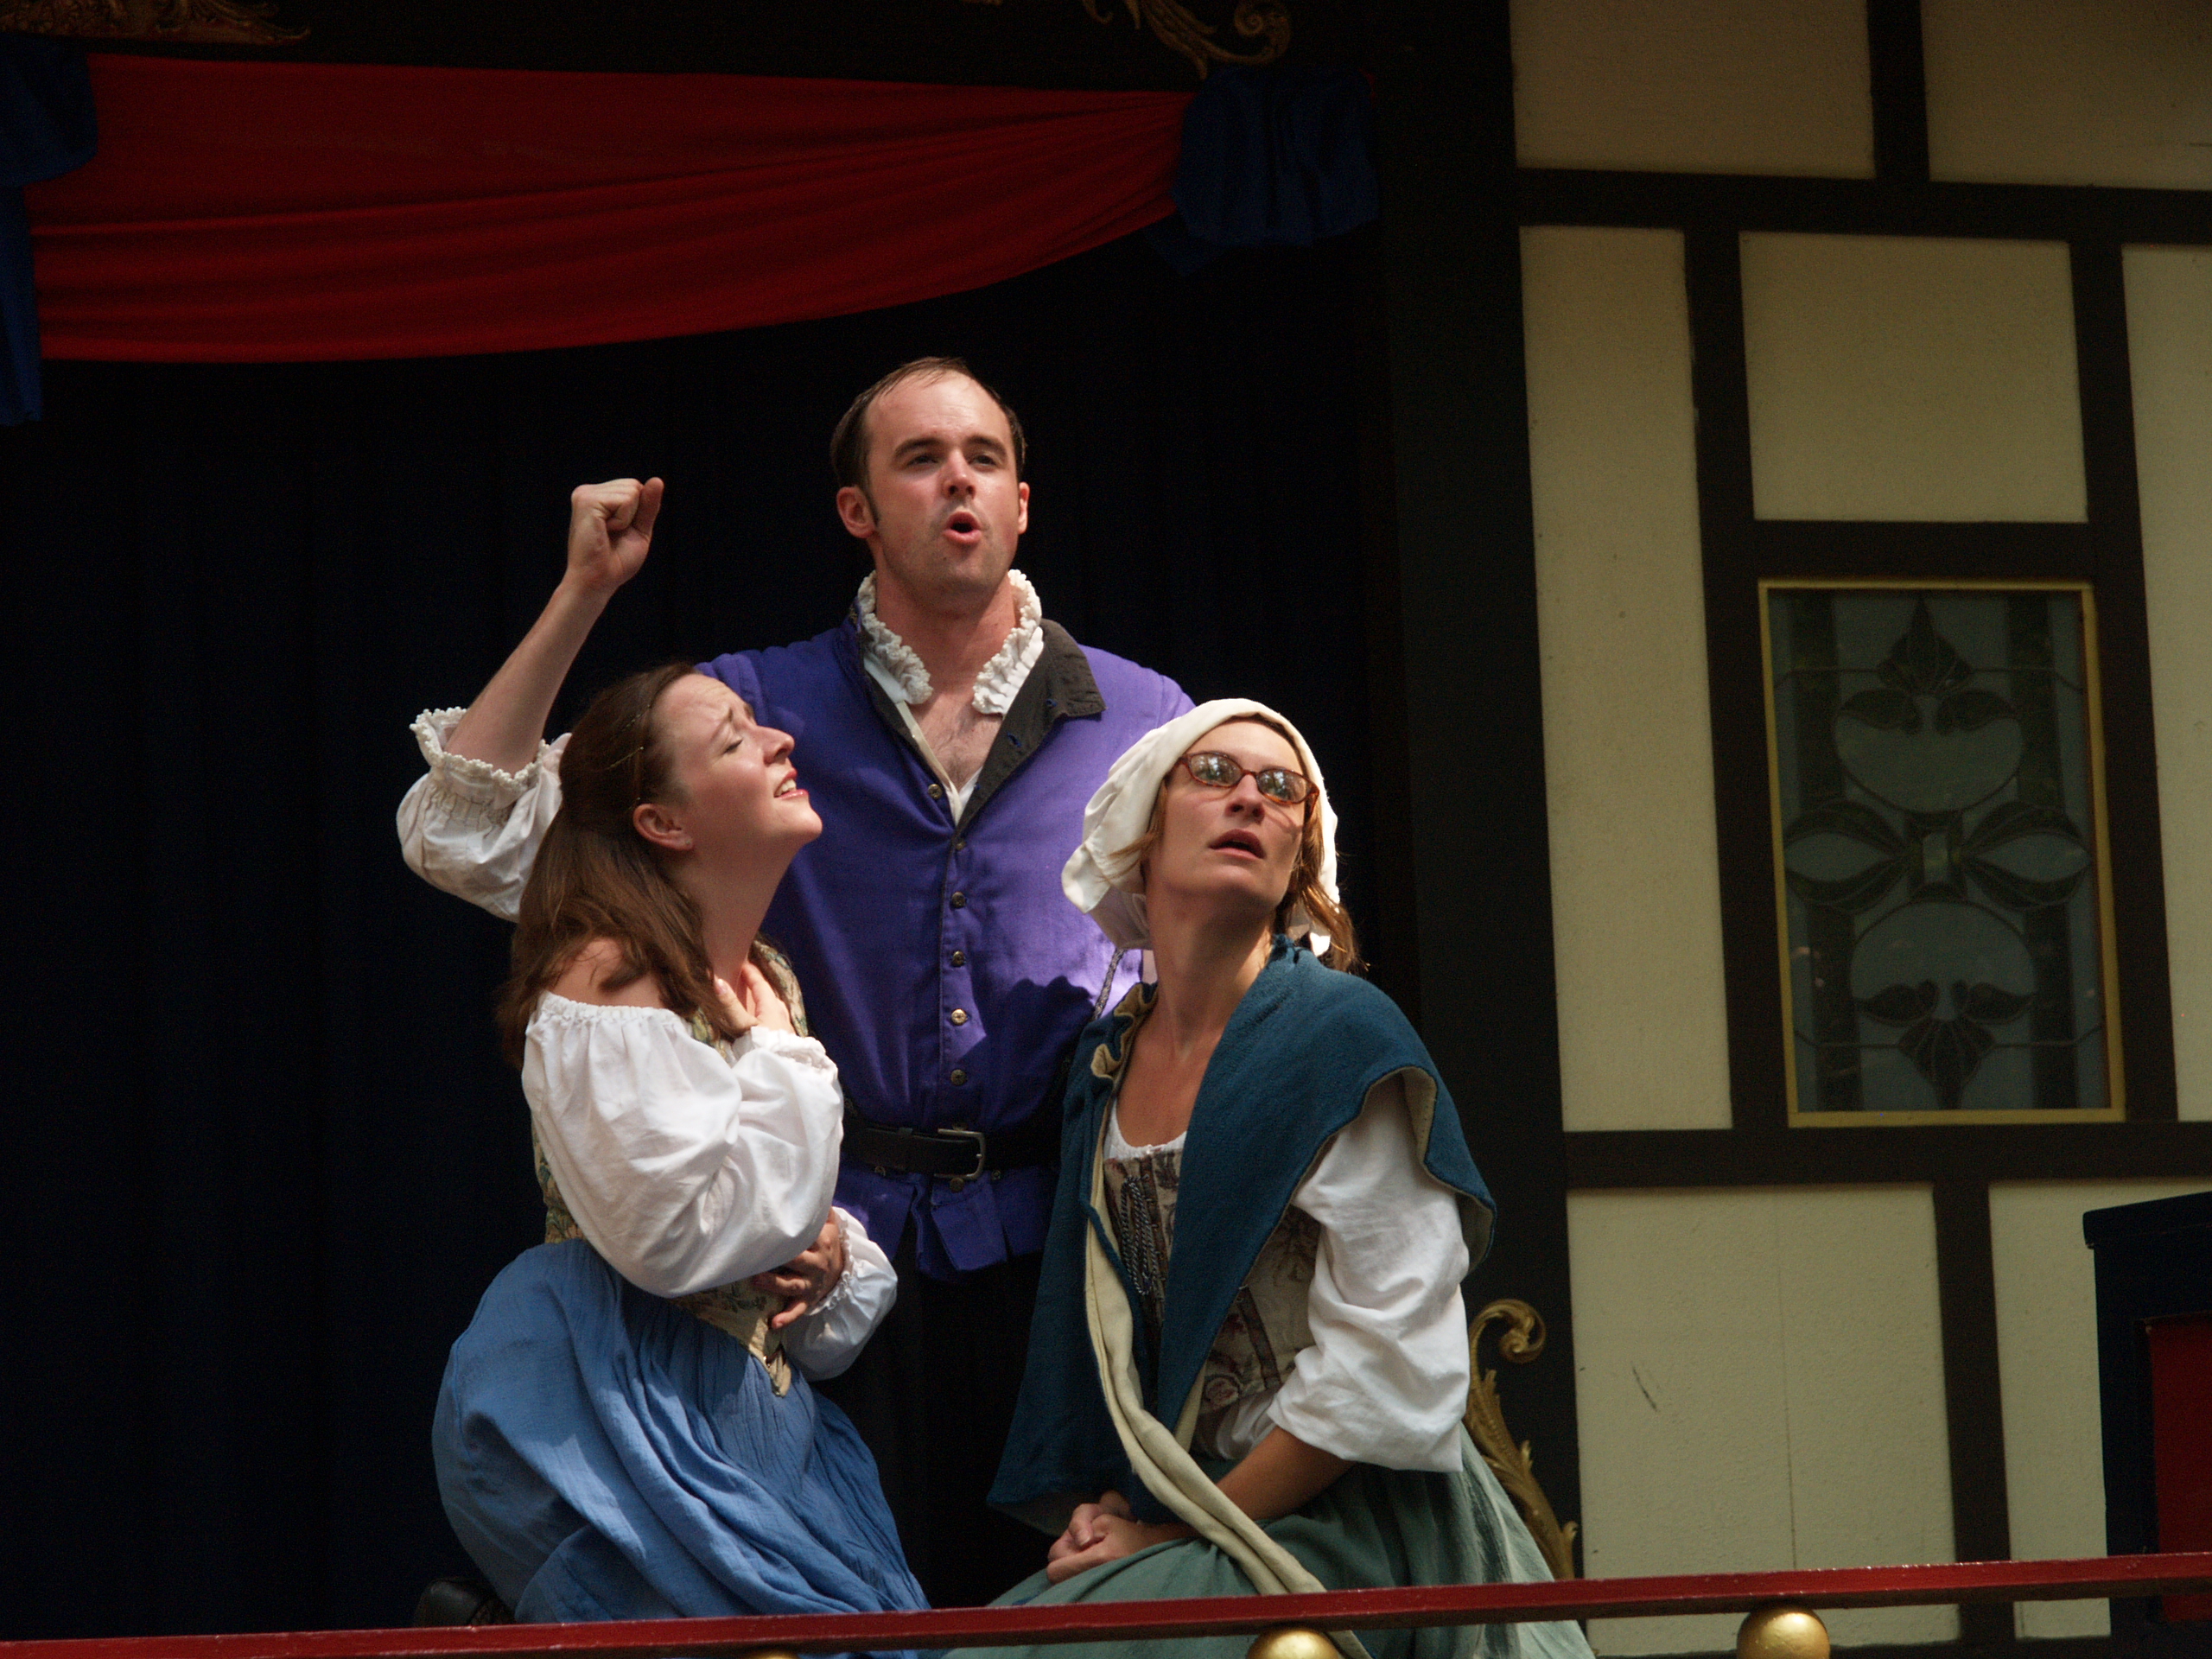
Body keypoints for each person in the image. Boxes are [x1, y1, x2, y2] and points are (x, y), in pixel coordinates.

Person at [398, 357, 1191, 1603]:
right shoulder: (755, 711)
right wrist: (584, 591)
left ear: (1024, 502)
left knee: (1057, 1610)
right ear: (856, 510)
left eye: (983, 457)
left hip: (1063, 1267)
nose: (958, 481)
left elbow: (1252, 962)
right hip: (817, 1274)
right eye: (920, 459)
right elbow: (465, 835)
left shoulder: (1148, 722)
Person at [966, 702, 1594, 1659]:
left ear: (1300, 855)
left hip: (1359, 1519)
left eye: (1281, 788)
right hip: (1194, 1500)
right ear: (1143, 830)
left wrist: (1176, 1535)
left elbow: (1384, 1367)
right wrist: (1125, 1509)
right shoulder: (1106, 1064)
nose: (1250, 800)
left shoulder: (1338, 1040)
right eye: (1215, 774)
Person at [429, 661, 926, 1630]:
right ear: (663, 822)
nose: (781, 742)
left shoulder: (768, 979)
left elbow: (762, 1237)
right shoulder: (610, 974)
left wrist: (826, 1254)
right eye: (736, 739)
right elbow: (676, 1241)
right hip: (617, 1400)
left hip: (748, 1414)